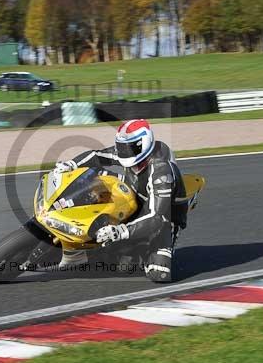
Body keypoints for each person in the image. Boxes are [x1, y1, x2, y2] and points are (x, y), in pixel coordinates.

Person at [54, 119, 186, 282]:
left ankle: (143, 250)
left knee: (158, 273)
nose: (124, 151)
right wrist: (71, 164)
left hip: (165, 217)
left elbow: (157, 217)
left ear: (143, 144)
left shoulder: (160, 172)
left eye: (129, 147)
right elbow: (97, 155)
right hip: (135, 197)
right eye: (121, 147)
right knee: (95, 180)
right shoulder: (129, 151)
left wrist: (120, 232)